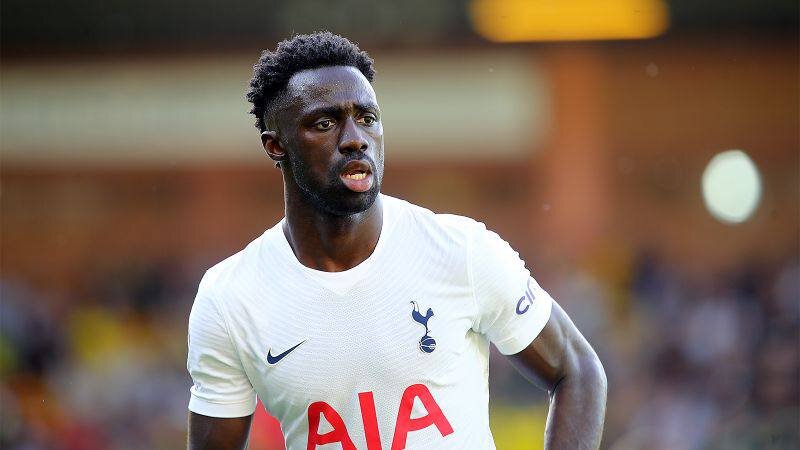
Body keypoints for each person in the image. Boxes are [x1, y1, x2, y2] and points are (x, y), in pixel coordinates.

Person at [186, 31, 606, 450]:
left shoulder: (461, 251)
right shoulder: (230, 297)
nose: (355, 138)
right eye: (325, 123)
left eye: (367, 118)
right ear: (276, 146)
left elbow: (577, 370)